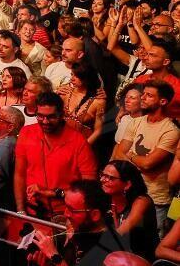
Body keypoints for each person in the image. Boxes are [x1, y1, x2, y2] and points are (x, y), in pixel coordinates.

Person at [14, 92, 97, 219]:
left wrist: (51, 193)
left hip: (64, 215)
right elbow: (19, 174)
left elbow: (89, 187)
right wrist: (20, 211)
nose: (45, 121)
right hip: (32, 212)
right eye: (40, 116)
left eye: (51, 117)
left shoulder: (78, 141)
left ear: (61, 115)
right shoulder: (26, 132)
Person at [116, 80, 179, 232]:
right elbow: (119, 154)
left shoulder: (171, 131)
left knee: (151, 245)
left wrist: (130, 155)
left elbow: (148, 164)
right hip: (132, 194)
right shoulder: (136, 122)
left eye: (149, 95)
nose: (143, 98)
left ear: (162, 101)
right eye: (143, 94)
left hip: (155, 199)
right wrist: (138, 160)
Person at [29, 180, 130, 266]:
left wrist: (54, 256)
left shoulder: (106, 247)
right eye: (66, 206)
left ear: (95, 215)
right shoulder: (83, 229)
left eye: (71, 210)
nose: (66, 214)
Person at [99, 161, 158, 261]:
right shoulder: (104, 197)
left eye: (110, 178)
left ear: (127, 184)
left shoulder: (142, 201)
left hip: (140, 257)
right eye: (102, 175)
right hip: (113, 253)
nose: (102, 180)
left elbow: (123, 231)